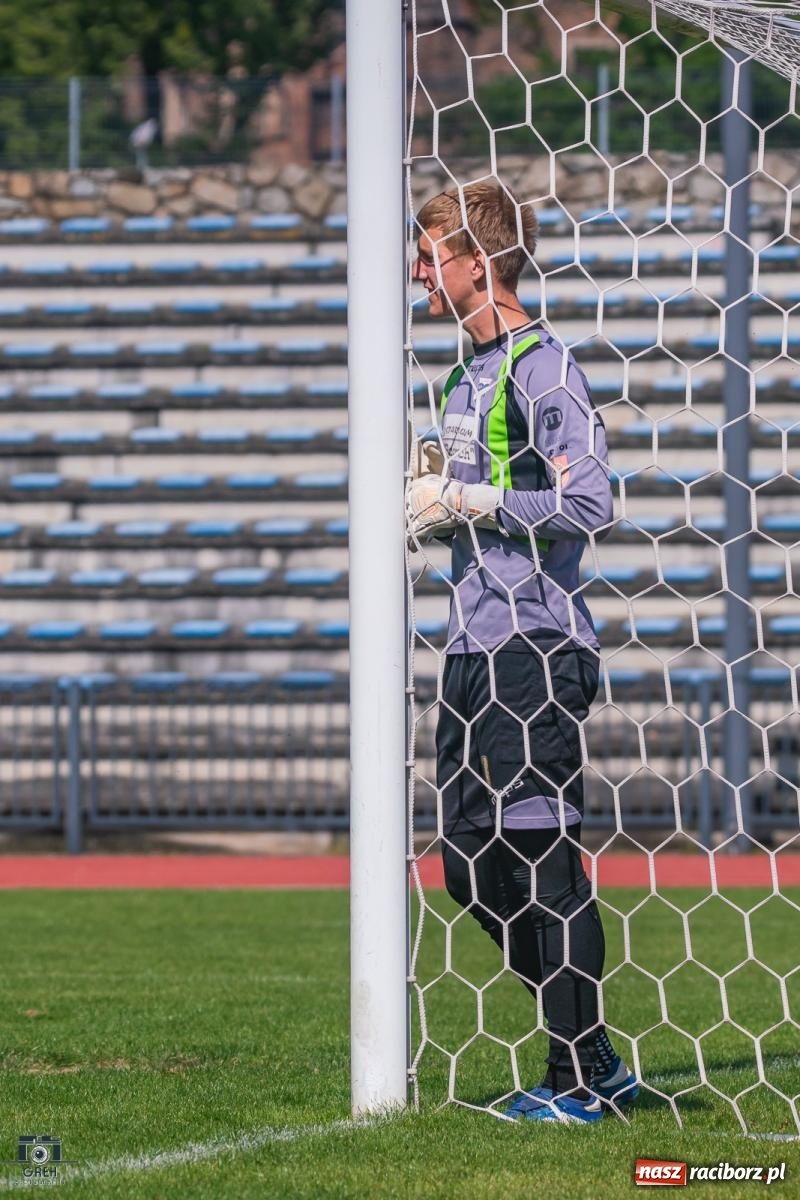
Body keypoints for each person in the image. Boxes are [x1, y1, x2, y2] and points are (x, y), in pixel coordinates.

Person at [407, 180, 637, 1124]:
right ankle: (594, 1057)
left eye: (430, 255)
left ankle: (576, 1081)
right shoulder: (466, 378)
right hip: (472, 650)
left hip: (535, 648)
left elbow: (592, 505)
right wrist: (434, 487)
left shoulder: (543, 369)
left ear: (477, 262)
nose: (419, 272)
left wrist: (477, 502)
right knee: (467, 865)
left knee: (543, 864)